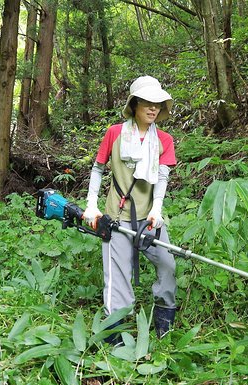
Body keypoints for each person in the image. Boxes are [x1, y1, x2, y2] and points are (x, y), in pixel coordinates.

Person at [82, 75, 177, 343]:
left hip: (150, 218)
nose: (153, 108)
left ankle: (164, 318)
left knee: (168, 264)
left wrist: (157, 209)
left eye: (157, 103)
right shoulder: (114, 133)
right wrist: (92, 205)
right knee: (118, 275)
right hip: (117, 217)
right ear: (134, 104)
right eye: (147, 102)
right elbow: (98, 168)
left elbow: (162, 176)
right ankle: (115, 333)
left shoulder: (164, 140)